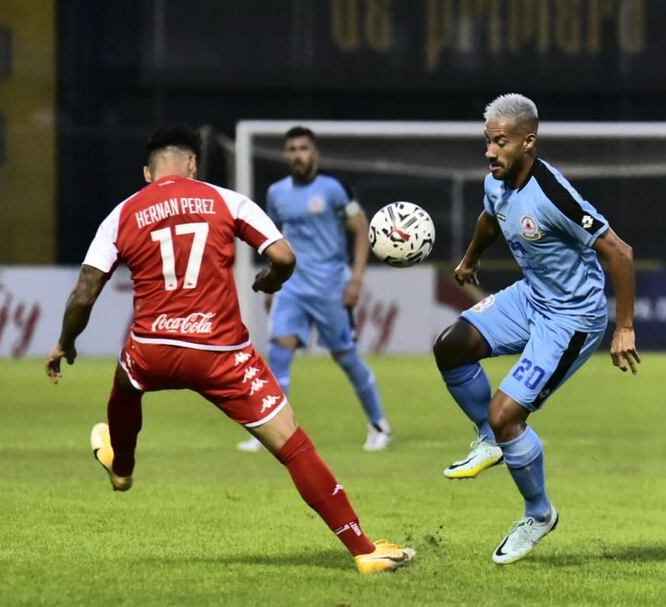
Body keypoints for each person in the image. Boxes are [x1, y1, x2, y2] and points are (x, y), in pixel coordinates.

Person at [45, 124, 414, 574]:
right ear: (193, 163)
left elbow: (85, 292)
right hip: (221, 353)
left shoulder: (121, 214)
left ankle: (121, 468)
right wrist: (270, 281)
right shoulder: (226, 199)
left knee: (126, 382)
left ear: (147, 172)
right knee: (293, 446)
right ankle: (363, 550)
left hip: (154, 348)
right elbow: (283, 257)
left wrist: (66, 341)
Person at [433, 94, 640, 564]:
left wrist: (623, 327)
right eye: (487, 141)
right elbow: (490, 217)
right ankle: (488, 439)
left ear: (528, 142)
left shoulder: (553, 195)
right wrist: (470, 259)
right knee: (451, 347)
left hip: (572, 318)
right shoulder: (497, 181)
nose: (490, 152)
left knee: (508, 415)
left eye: (500, 143)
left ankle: (538, 513)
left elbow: (620, 253)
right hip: (531, 296)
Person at [236, 126, 391, 453]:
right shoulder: (277, 193)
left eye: (303, 148)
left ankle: (379, 425)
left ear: (314, 153)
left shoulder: (334, 190)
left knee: (346, 357)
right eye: (291, 149)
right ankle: (271, 431)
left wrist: (356, 280)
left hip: (331, 286)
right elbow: (274, 242)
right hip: (292, 286)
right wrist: (271, 289)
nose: (297, 155)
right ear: (285, 155)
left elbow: (361, 230)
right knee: (279, 350)